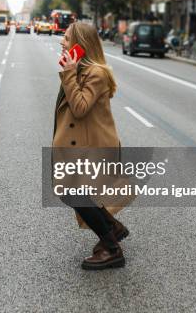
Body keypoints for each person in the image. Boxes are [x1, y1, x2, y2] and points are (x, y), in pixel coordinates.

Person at [53, 22, 129, 271]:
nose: (61, 42)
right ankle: (112, 228)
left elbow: (80, 108)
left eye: (66, 38)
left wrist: (69, 74)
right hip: (82, 145)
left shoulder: (95, 72)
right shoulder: (81, 69)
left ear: (80, 43)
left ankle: (112, 248)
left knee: (75, 193)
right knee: (75, 193)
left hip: (93, 146)